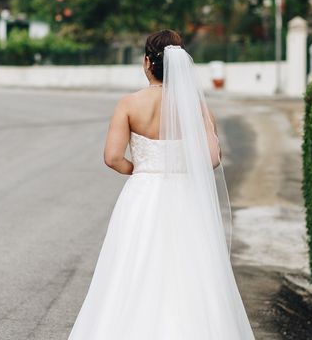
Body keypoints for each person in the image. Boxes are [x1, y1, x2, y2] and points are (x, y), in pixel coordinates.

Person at [68, 30, 255, 339]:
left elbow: (112, 157)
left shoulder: (129, 104)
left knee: (133, 268)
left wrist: (142, 168)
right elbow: (212, 158)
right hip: (186, 197)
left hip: (142, 196)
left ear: (146, 63)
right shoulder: (196, 107)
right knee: (191, 272)